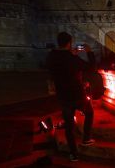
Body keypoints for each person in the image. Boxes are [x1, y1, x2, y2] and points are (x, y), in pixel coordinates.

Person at [46, 32, 95, 161]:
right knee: (89, 112)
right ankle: (86, 138)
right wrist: (89, 52)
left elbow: (51, 71)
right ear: (70, 42)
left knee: (69, 125)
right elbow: (91, 67)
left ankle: (73, 154)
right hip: (77, 94)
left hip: (63, 95)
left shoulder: (52, 56)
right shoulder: (72, 58)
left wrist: (70, 54)